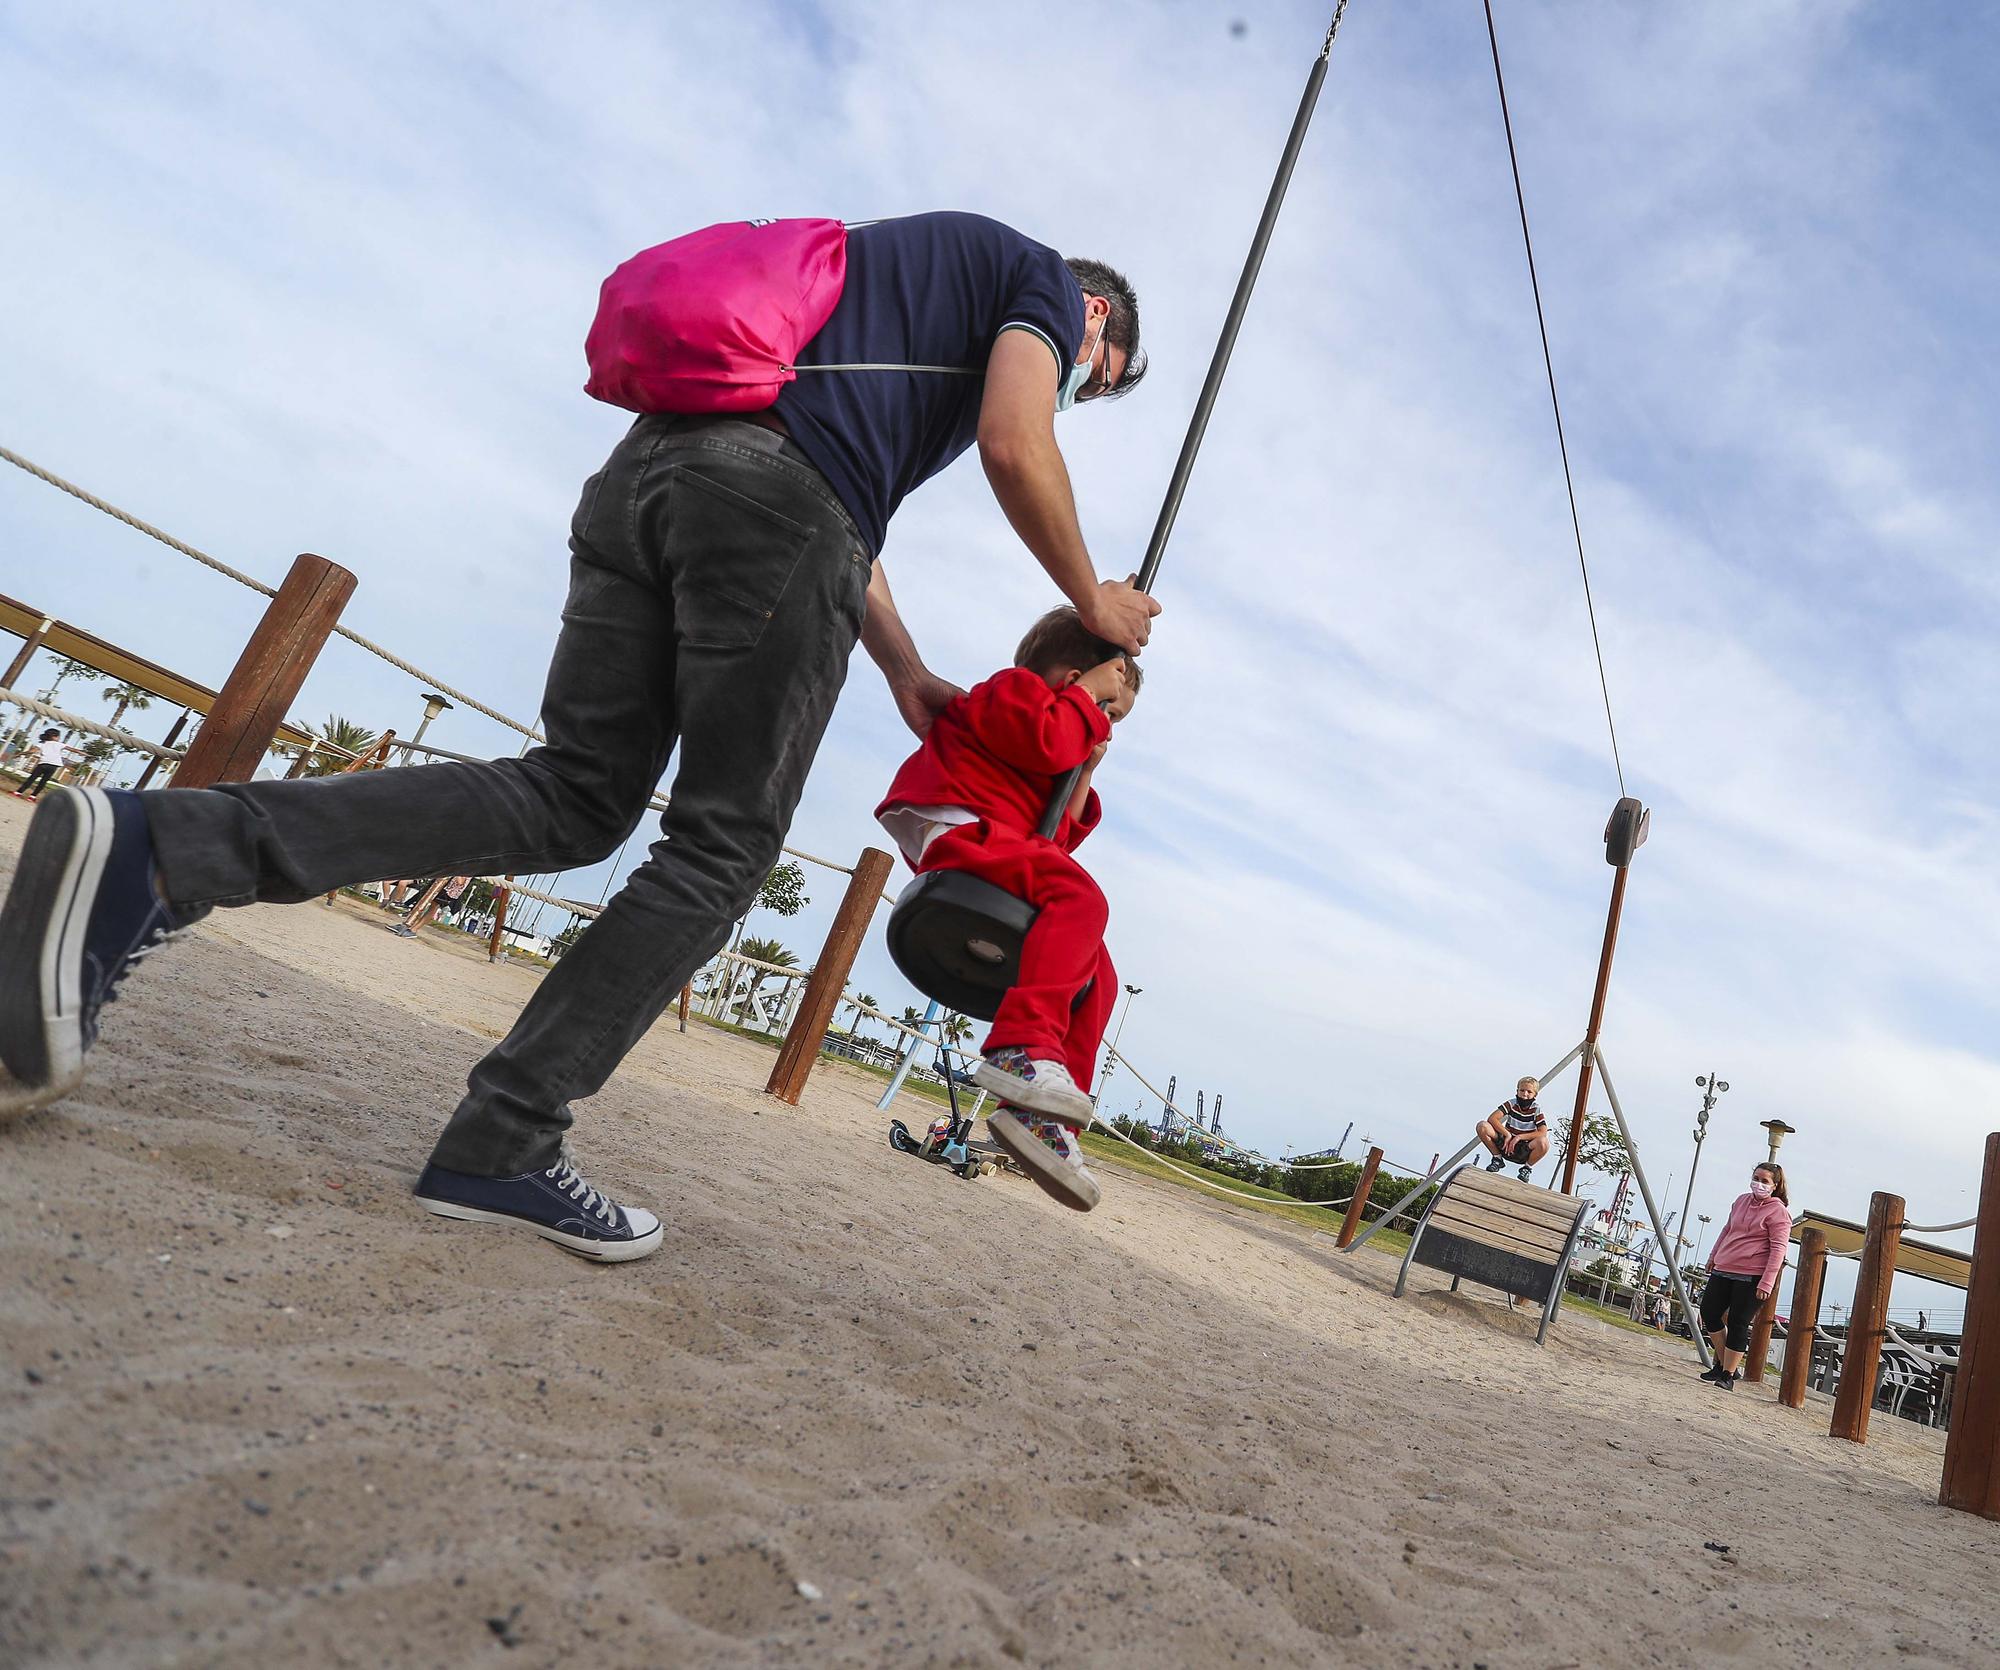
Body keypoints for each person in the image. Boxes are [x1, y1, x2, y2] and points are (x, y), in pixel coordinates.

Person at [0, 212, 1160, 1265]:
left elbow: (825, 476)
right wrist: (1091, 603)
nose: (1076, 394)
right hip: (775, 513)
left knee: (571, 794)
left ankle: (158, 847)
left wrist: (900, 664)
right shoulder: (1042, 288)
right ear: (1094, 318)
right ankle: (502, 1143)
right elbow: (1014, 442)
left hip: (651, 477)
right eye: (1095, 383)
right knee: (718, 850)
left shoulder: (906, 279)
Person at [876, 607, 1140, 1212]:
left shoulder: (1059, 737)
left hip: (1001, 844)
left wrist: (1084, 771)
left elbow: (1054, 845)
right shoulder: (1012, 691)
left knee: (1098, 976)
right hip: (962, 831)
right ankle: (1022, 1051)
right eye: (1108, 708)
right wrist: (1082, 706)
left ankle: (1045, 1121)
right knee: (1081, 897)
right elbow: (1042, 738)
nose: (1105, 728)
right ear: (1075, 679)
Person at [1697, 1160, 1792, 1390]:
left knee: (1739, 1322)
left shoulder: (1778, 1212)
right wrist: (1713, 1256)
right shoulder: (1740, 1201)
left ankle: (1728, 1375)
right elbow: (1727, 1229)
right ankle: (1723, 1364)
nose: (1759, 1184)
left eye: (1765, 1181)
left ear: (1775, 1185)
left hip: (1751, 1275)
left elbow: (1779, 1248)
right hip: (1724, 1266)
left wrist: (1767, 1282)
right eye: (1756, 1178)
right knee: (1709, 1311)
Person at [1477, 1076, 1549, 1181]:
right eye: (1522, 1090)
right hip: (1506, 1143)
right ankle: (1497, 1159)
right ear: (1517, 1091)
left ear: (1535, 1095)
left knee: (1543, 1142)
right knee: (1482, 1126)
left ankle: (1527, 1168)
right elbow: (1492, 1118)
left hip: (1523, 1148)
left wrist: (1519, 1137)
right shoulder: (1512, 1103)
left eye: (1529, 1092)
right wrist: (1507, 1134)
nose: (1525, 1094)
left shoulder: (1535, 1109)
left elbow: (1543, 1132)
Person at [13, 730, 68, 800]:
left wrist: (20, 754)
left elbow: (32, 751)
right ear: (55, 737)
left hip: (43, 764)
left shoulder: (42, 743)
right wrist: (83, 753)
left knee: (32, 779)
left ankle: (18, 792)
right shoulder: (59, 744)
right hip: (53, 765)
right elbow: (73, 749)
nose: (59, 738)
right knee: (43, 781)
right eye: (58, 736)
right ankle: (33, 796)